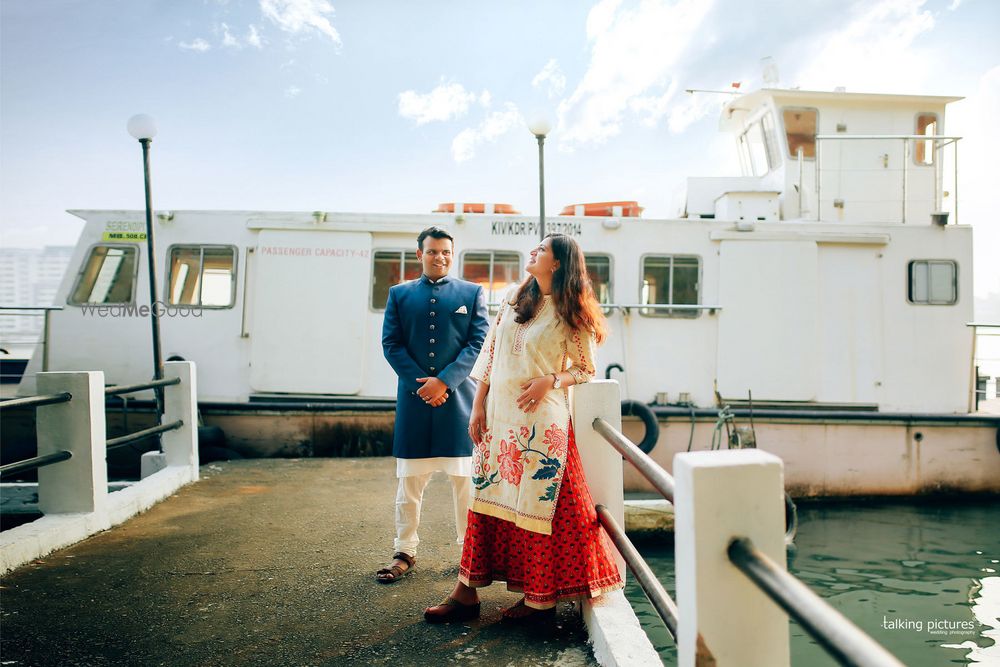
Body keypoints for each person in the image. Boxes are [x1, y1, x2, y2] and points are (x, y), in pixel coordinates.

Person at [423, 233, 623, 622]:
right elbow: (491, 352)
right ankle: (466, 594)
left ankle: (539, 602)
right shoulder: (517, 297)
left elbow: (584, 369)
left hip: (540, 425)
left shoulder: (572, 311)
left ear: (559, 263)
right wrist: (477, 405)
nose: (534, 252)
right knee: (485, 502)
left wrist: (552, 380)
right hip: (498, 419)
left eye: (542, 249)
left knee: (536, 509)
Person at [376, 226, 490, 583]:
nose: (439, 257)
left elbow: (479, 343)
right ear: (419, 254)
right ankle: (404, 551)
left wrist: (445, 381)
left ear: (452, 254)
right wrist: (420, 384)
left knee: (465, 485)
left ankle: (467, 553)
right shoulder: (399, 294)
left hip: (459, 401)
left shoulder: (471, 293)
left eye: (445, 252)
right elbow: (391, 344)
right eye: (432, 252)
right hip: (413, 402)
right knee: (408, 484)